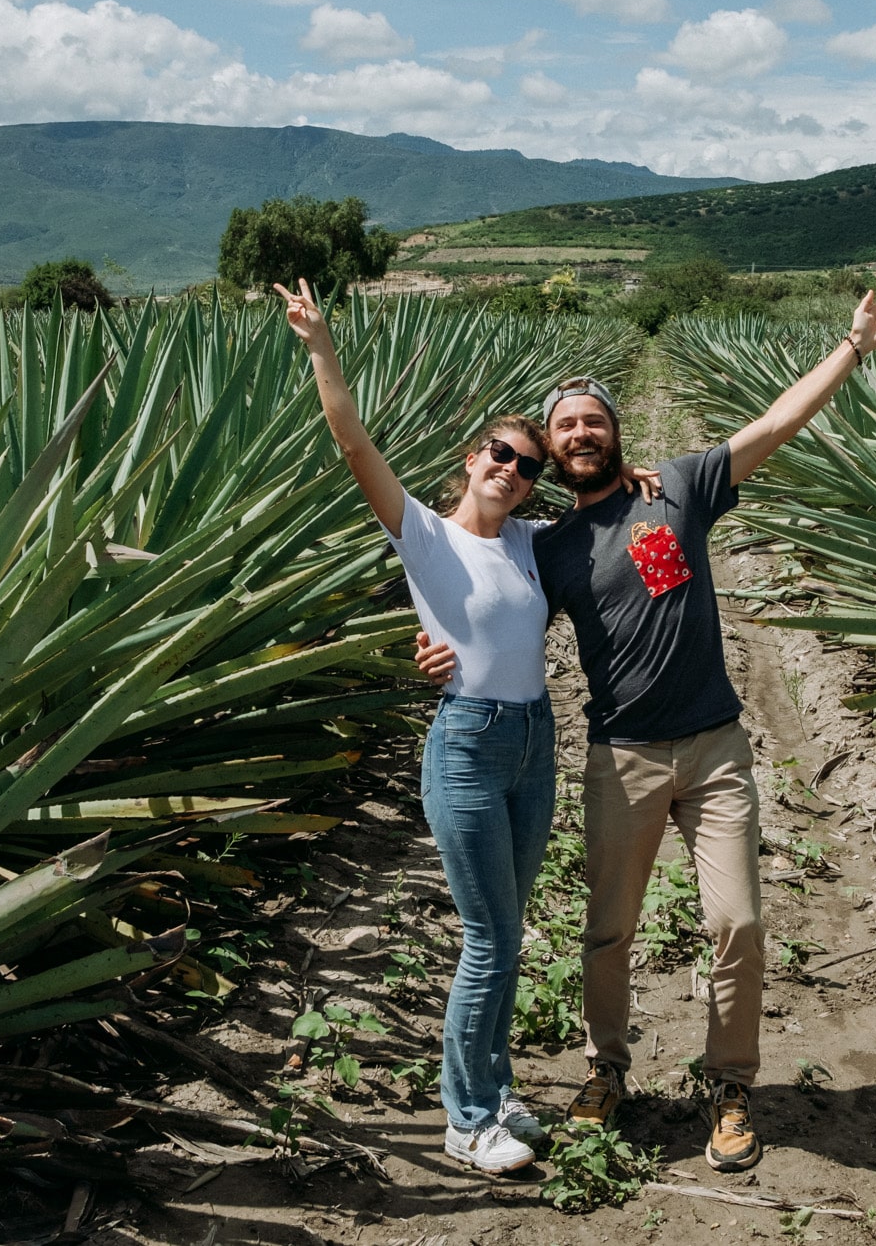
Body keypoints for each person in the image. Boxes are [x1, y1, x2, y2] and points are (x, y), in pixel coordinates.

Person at [417, 286, 876, 1173]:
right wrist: (435, 651)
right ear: (551, 453)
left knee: (739, 923)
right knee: (608, 930)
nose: (576, 434)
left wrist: (854, 345)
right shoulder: (547, 546)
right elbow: (474, 584)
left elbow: (775, 423)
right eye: (560, 427)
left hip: (715, 748)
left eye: (589, 420)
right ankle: (607, 1069)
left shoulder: (678, 486)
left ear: (614, 433)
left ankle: (730, 1088)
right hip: (623, 754)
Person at [278, 279, 660, 1175]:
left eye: (527, 463)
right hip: (467, 744)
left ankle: (496, 1083)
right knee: (488, 936)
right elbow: (352, 441)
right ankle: (467, 1116)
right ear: (469, 457)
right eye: (500, 452)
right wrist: (323, 349)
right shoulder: (422, 533)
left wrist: (640, 481)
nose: (513, 468)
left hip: (534, 743)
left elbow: (601, 513)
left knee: (511, 922)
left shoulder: (529, 541)